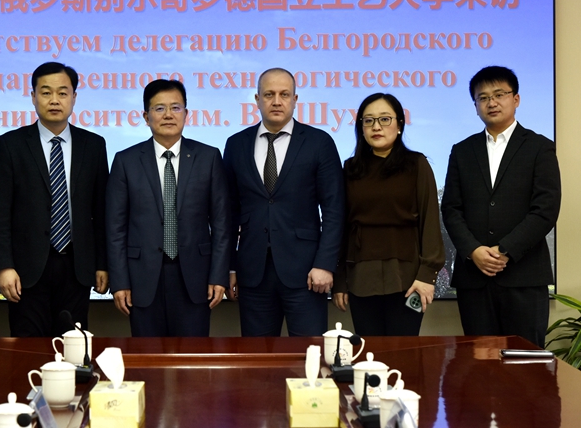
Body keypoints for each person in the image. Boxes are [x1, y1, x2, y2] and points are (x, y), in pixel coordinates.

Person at [442, 66, 561, 348]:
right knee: (478, 363)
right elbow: (451, 209)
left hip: (524, 277)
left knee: (525, 364)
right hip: (475, 279)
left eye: (499, 94)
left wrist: (505, 250)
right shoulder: (462, 150)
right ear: (475, 106)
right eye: (483, 97)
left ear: (515, 99)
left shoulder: (539, 147)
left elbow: (545, 209)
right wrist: (473, 250)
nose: (491, 102)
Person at [0, 61, 108, 337]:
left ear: (74, 97)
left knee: (73, 347)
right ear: (33, 96)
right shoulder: (11, 144)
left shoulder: (93, 145)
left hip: (77, 268)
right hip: (26, 271)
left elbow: (101, 211)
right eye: (45, 92)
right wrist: (4, 267)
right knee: (28, 349)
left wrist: (103, 264)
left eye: (62, 93)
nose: (54, 100)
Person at [223, 67, 345, 337]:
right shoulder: (236, 144)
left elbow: (334, 209)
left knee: (310, 354)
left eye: (284, 94)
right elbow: (228, 214)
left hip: (307, 273)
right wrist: (230, 267)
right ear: (257, 99)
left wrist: (325, 264)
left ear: (295, 99)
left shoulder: (319, 142)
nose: (276, 101)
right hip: (252, 274)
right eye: (269, 94)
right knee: (258, 356)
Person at [106, 79, 230, 337]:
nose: (168, 115)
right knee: (147, 356)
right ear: (146, 116)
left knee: (192, 356)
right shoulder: (126, 161)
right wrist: (119, 281)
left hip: (195, 277)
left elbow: (221, 224)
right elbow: (115, 228)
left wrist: (218, 276)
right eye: (159, 108)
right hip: (142, 278)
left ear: (186, 113)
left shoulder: (208, 157)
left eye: (175, 107)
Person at [332, 93, 445, 336]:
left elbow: (430, 221)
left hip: (408, 277)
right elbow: (342, 226)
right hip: (361, 276)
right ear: (361, 127)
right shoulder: (350, 169)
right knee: (369, 351)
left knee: (404, 351)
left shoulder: (417, 164)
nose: (376, 127)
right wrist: (339, 280)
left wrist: (427, 275)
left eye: (384, 119)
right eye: (368, 120)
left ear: (399, 124)